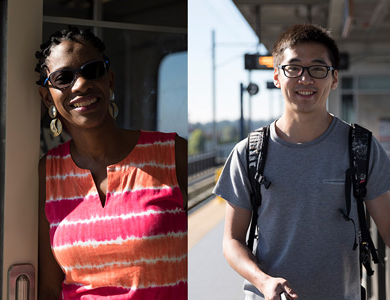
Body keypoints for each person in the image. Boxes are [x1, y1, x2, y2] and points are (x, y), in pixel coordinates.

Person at [214, 23, 390, 300]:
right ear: (276, 77)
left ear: (333, 78)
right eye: (293, 68)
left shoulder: (362, 148)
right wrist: (263, 281)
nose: (305, 79)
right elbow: (232, 240)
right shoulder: (249, 152)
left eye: (318, 69)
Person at [35, 26, 188, 299]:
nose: (81, 84)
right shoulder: (48, 171)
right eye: (63, 78)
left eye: (92, 70)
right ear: (48, 96)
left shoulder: (172, 153)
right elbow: (49, 288)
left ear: (110, 80)